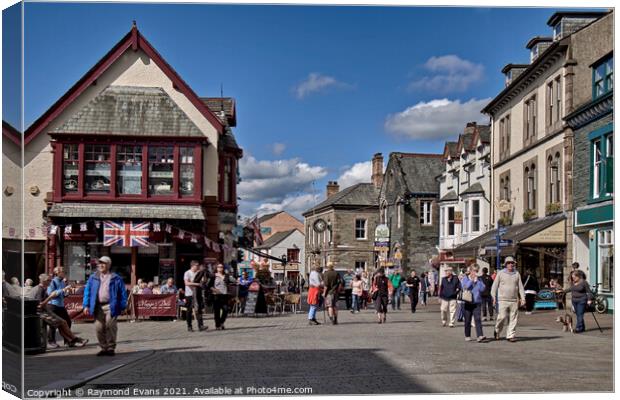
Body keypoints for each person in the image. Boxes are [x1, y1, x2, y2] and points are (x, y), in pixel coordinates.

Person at [82, 256, 127, 356]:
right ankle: (103, 347)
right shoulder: (93, 277)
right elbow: (87, 291)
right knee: (99, 327)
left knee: (110, 326)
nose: (101, 265)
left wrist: (123, 306)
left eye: (103, 263)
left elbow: (122, 293)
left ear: (109, 265)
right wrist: (86, 305)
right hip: (97, 306)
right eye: (99, 263)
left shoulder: (116, 278)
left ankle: (110, 347)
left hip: (111, 305)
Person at [34, 274, 88, 349]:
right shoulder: (40, 289)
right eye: (49, 280)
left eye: (50, 280)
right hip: (44, 313)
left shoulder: (46, 287)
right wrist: (50, 297)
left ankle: (70, 340)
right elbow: (39, 306)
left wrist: (66, 292)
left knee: (63, 323)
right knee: (62, 323)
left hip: (49, 309)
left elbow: (61, 295)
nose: (50, 281)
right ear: (43, 281)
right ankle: (74, 339)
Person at [491, 256, 525, 342]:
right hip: (502, 299)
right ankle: (497, 330)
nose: (510, 264)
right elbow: (494, 286)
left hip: (514, 300)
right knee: (502, 317)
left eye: (512, 263)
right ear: (505, 264)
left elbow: (520, 287)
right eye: (508, 263)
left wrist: (523, 298)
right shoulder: (500, 273)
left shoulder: (517, 274)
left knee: (513, 318)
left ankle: (510, 335)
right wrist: (493, 297)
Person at [47, 267, 72, 348]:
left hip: (61, 305)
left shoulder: (62, 282)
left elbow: (63, 295)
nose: (64, 273)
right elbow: (50, 294)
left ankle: (67, 340)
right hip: (53, 305)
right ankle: (51, 341)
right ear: (57, 273)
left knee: (68, 322)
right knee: (53, 324)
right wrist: (64, 290)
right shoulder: (52, 282)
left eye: (64, 271)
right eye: (63, 272)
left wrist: (67, 292)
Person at [461, 265, 487, 342]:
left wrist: (477, 281)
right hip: (467, 302)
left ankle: (480, 336)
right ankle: (467, 335)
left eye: (477, 271)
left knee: (478, 319)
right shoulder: (465, 278)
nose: (475, 273)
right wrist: (471, 281)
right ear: (471, 270)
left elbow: (482, 289)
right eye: (474, 271)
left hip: (477, 302)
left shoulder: (479, 279)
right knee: (468, 320)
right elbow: (465, 287)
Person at [208, 264, 236, 330]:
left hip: (224, 295)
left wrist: (220, 275)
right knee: (217, 311)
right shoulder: (213, 276)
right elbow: (209, 285)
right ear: (216, 268)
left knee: (225, 309)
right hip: (216, 295)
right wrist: (214, 290)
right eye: (219, 267)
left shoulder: (226, 275)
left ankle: (221, 322)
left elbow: (227, 281)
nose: (220, 268)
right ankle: (217, 325)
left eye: (221, 267)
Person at [183, 260, 205, 332]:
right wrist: (197, 284)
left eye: (198, 265)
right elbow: (186, 283)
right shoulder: (187, 273)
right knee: (189, 310)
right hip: (189, 294)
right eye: (197, 265)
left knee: (199, 310)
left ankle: (200, 325)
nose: (198, 267)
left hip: (197, 294)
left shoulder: (199, 273)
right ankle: (189, 326)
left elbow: (202, 281)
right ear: (192, 266)